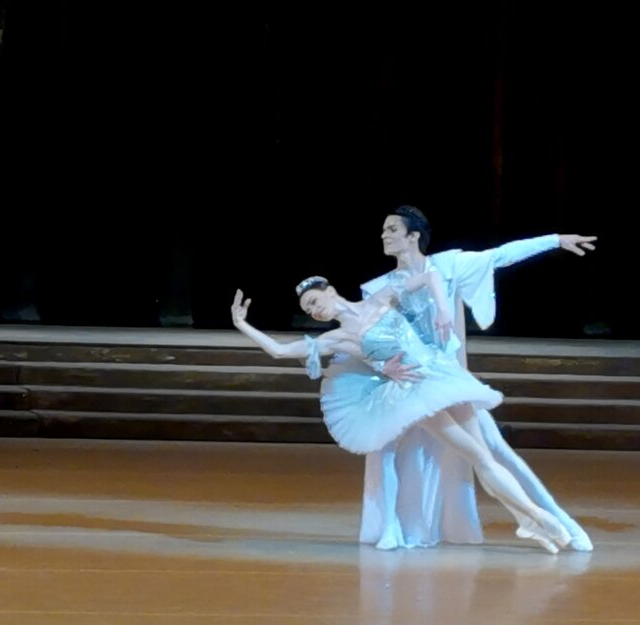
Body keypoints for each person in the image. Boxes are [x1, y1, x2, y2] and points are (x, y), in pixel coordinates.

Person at [230, 275, 573, 553]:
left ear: (331, 291)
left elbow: (429, 276)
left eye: (315, 301)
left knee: (484, 456)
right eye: (308, 309)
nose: (314, 311)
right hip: (414, 392)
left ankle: (527, 520)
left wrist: (443, 311)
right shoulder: (339, 338)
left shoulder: (380, 299)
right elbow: (279, 351)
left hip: (442, 374)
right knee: (476, 455)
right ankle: (536, 516)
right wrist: (242, 325)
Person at [355, 205, 596, 551]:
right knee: (387, 451)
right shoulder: (378, 288)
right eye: (383, 229)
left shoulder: (447, 265)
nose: (384, 235)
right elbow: (369, 341)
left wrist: (555, 240)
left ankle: (559, 522)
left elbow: (500, 255)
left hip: (449, 383)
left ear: (413, 236)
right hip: (409, 385)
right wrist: (383, 369)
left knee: (495, 451)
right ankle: (391, 527)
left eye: (392, 229)